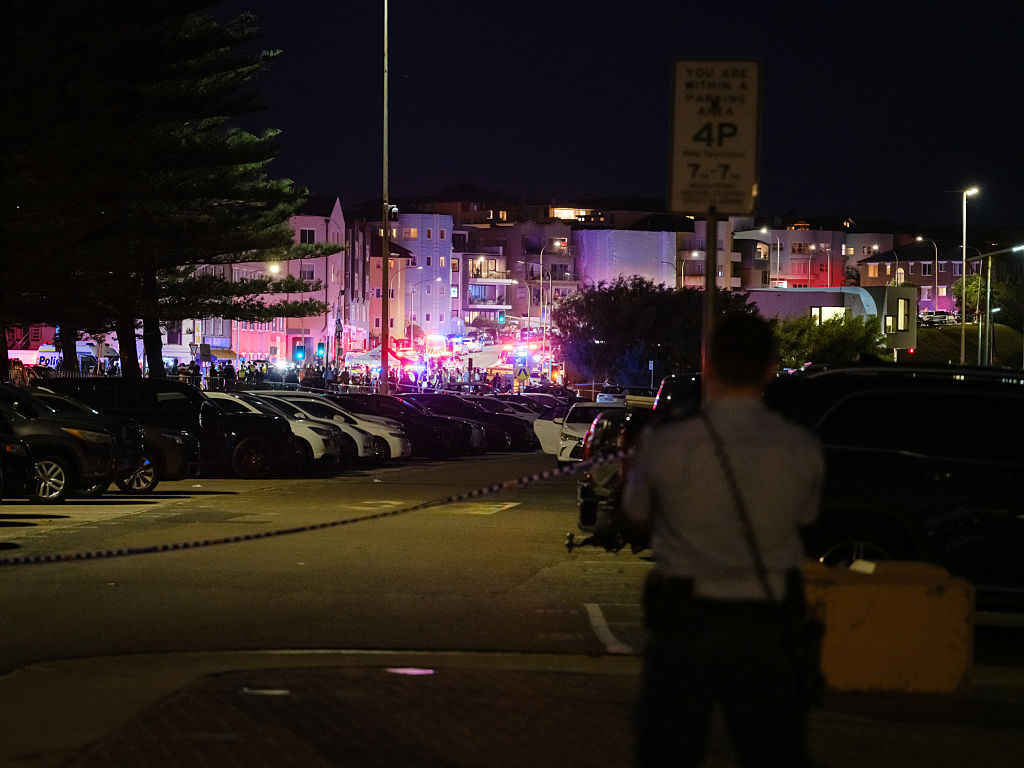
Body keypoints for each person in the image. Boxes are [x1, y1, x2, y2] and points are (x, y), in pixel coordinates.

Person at [623, 311, 824, 768]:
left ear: (707, 366)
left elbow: (636, 512)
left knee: (667, 750)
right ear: (770, 368)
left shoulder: (667, 441)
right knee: (774, 750)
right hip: (767, 621)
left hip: (685, 619)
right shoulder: (800, 446)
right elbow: (807, 517)